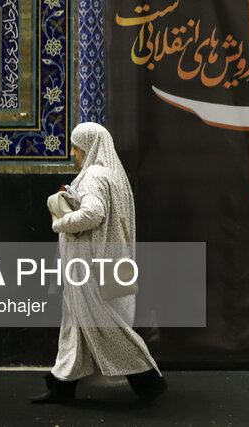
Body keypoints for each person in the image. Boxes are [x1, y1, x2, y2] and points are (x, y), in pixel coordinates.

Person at [31, 122, 167, 404]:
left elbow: (93, 214)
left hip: (90, 267)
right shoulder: (114, 175)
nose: (73, 154)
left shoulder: (93, 176)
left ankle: (148, 381)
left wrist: (59, 222)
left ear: (89, 147)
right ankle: (61, 386)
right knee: (76, 327)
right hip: (114, 263)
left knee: (108, 326)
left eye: (76, 148)